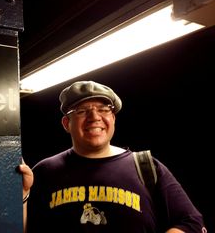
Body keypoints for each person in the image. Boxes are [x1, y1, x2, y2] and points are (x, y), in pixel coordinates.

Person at [18, 80, 207, 233]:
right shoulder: (44, 171)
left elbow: (191, 223)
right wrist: (23, 195)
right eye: (82, 111)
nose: (94, 117)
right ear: (67, 123)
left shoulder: (146, 167)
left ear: (113, 119)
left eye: (104, 109)